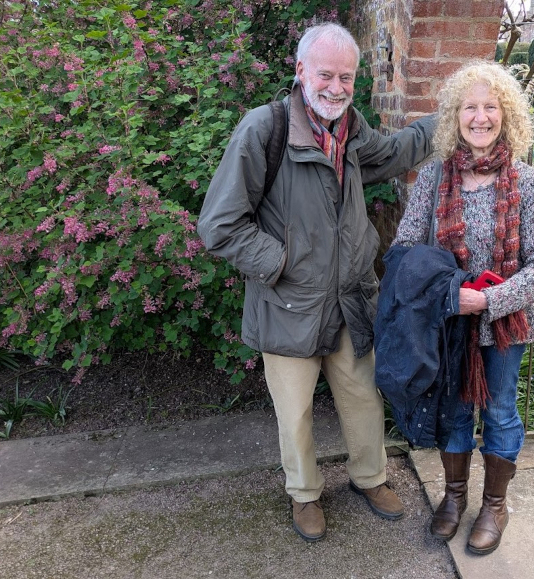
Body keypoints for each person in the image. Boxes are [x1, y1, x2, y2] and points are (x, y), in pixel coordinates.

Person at [196, 22, 435, 543]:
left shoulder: (350, 128)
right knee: (296, 412)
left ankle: (369, 478)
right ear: (301, 70)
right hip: (288, 303)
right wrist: (281, 265)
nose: (336, 86)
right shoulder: (265, 129)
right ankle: (304, 494)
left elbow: (391, 153)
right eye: (326, 74)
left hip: (349, 300)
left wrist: (452, 119)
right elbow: (218, 225)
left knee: (364, 398)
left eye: (346, 77)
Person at [391, 61, 534, 555]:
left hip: (505, 327)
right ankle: (454, 497)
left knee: (501, 412)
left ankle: (494, 505)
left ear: (506, 115)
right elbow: (404, 251)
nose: (480, 117)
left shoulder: (527, 182)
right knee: (455, 411)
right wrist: (448, 297)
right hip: (449, 328)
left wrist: (487, 300)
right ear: (455, 117)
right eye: (470, 107)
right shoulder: (433, 180)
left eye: (490, 107)